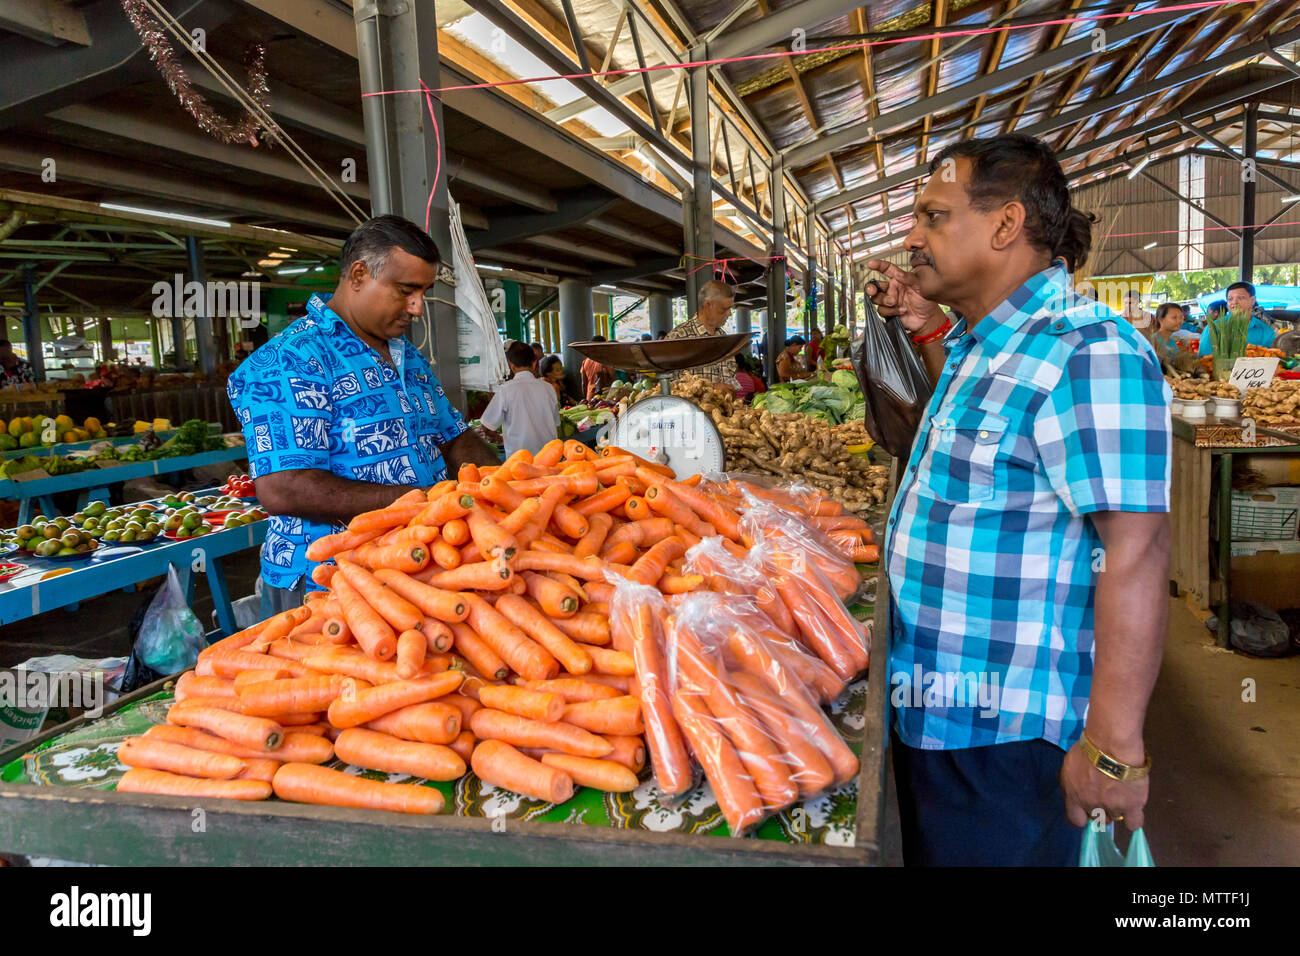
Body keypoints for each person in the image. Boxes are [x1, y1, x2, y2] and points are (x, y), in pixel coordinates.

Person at [863, 133, 1171, 866]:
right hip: (937, 711)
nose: (912, 237)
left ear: (1005, 225)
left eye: (933, 216)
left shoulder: (1088, 352)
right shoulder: (981, 345)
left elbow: (1138, 548)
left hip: (1009, 740)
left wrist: (1114, 745)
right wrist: (925, 327)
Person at [227, 215, 499, 613]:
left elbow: (454, 438)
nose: (418, 308)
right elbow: (284, 486)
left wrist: (502, 489)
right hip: (327, 581)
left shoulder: (409, 357)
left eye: (423, 292)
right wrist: (418, 501)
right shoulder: (290, 360)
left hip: (414, 566)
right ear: (358, 274)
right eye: (406, 291)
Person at [479, 341, 562, 457]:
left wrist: (499, 439)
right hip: (549, 458)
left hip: (519, 463)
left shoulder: (505, 390)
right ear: (534, 364)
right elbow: (556, 423)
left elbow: (486, 426)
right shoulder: (548, 388)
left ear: (511, 365)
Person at [665, 280, 738, 392]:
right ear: (708, 305)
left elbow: (730, 377)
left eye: (730, 309)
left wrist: (731, 389)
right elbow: (669, 386)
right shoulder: (678, 337)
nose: (729, 314)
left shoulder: (723, 337)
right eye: (724, 309)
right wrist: (712, 388)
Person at [1197, 281, 1277, 356]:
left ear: (1252, 300)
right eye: (1230, 299)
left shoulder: (1266, 332)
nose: (1234, 302)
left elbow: (1272, 360)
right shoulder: (1213, 329)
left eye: (1241, 298)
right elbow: (1203, 361)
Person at [580, 335, 614, 401]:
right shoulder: (606, 361)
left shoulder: (585, 361)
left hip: (590, 396)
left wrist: (586, 399)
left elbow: (583, 383)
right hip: (603, 396)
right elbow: (613, 378)